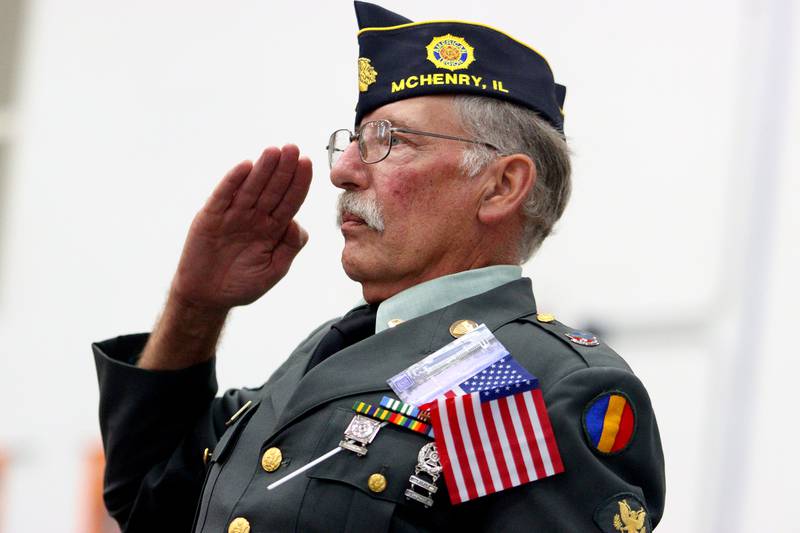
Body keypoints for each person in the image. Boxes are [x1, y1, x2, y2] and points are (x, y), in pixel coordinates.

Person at [93, 2, 665, 532]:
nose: (343, 170)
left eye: (390, 141)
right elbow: (151, 501)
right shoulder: (331, 351)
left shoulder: (504, 378)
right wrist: (197, 306)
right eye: (352, 141)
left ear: (501, 186)